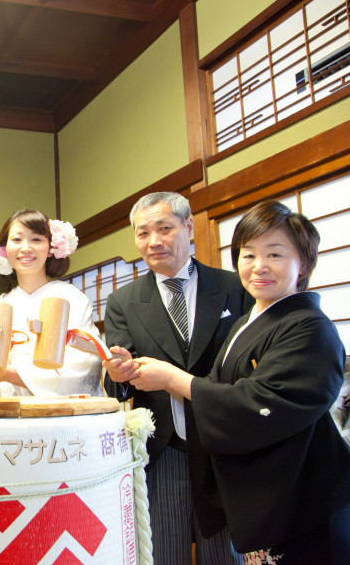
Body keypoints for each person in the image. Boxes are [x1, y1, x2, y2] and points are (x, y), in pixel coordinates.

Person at [132, 200, 350, 564]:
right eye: (248, 255)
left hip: (303, 498)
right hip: (270, 498)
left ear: (304, 264)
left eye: (275, 255)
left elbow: (256, 404)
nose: (258, 267)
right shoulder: (249, 320)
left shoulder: (311, 328)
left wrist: (173, 378)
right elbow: (220, 390)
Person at [103, 192, 251, 565]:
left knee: (227, 556)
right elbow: (117, 383)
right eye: (143, 233)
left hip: (226, 448)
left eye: (165, 228)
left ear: (188, 227)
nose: (154, 242)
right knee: (164, 554)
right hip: (165, 449)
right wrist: (117, 373)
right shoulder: (123, 300)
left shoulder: (235, 286)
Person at [0, 209, 101, 398]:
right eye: (17, 240)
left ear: (51, 247)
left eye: (36, 239)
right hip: (9, 420)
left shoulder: (71, 298)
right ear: (4, 249)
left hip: (58, 418)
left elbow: (85, 362)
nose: (25, 248)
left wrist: (9, 374)